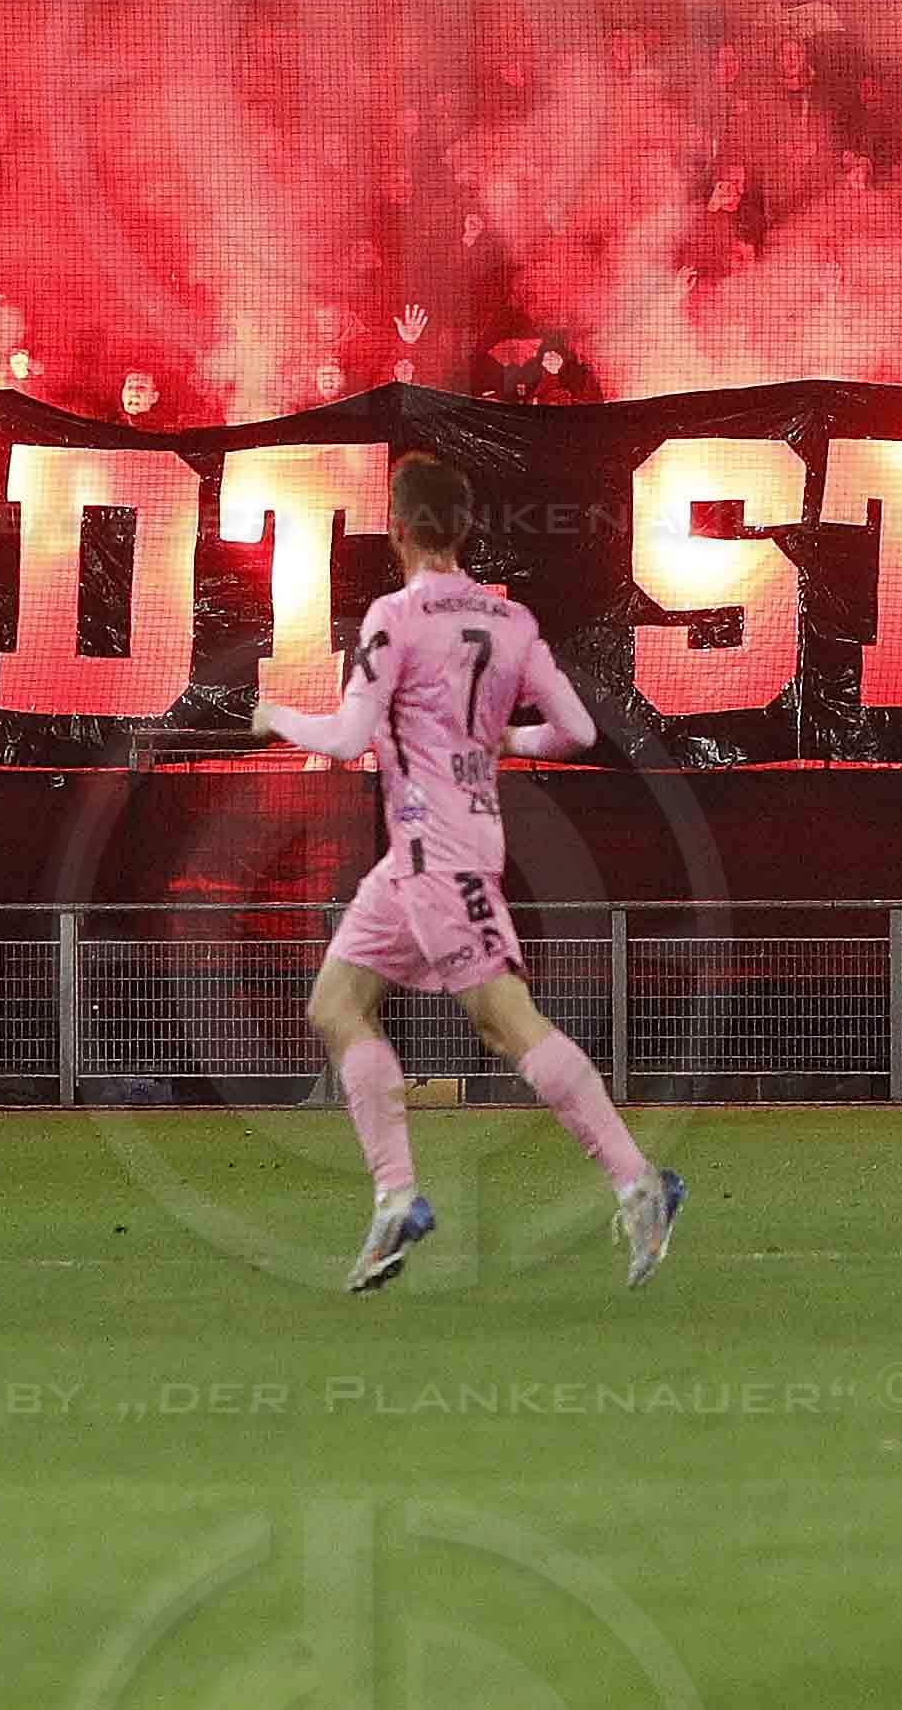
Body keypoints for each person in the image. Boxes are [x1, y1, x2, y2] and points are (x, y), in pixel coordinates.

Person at [258, 450, 685, 1289]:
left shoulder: (394, 615)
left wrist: (272, 715)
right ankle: (396, 1199)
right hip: (419, 857)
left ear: (397, 525)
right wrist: (503, 740)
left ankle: (640, 1182)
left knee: (507, 1025)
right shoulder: (511, 620)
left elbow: (347, 741)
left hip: (440, 856)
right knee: (336, 1003)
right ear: (459, 528)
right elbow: (576, 732)